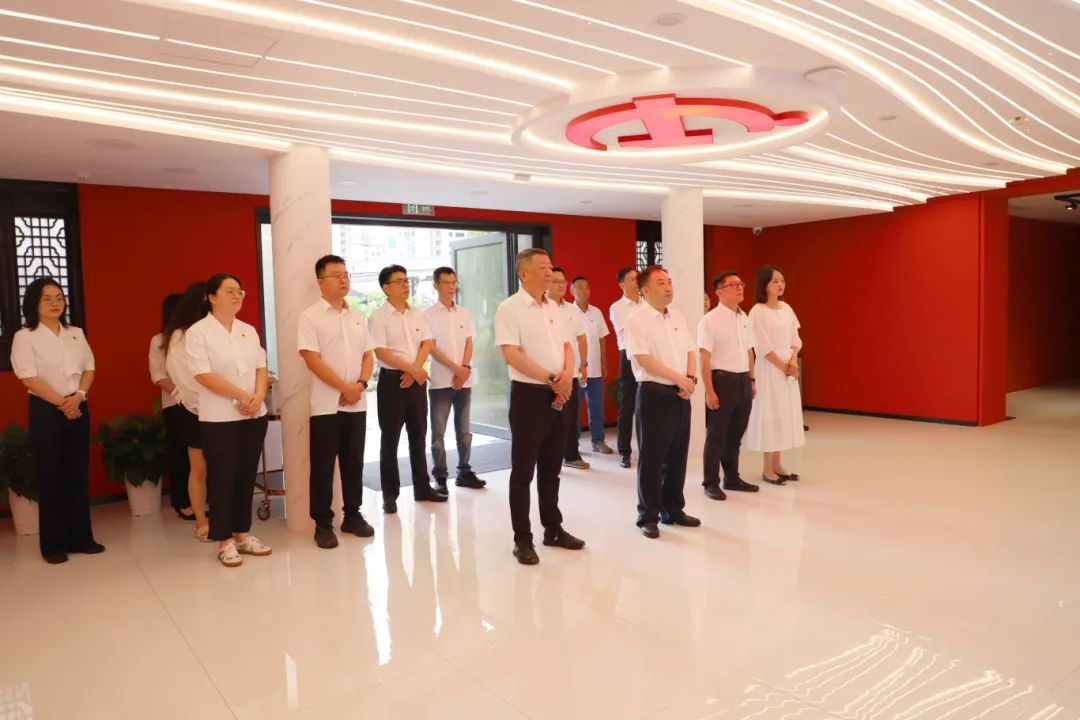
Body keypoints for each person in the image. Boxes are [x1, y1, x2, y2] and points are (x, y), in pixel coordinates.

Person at [495, 248, 586, 565]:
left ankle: (553, 529)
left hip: (560, 393)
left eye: (550, 266)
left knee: (552, 469)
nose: (549, 272)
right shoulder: (510, 308)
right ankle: (523, 539)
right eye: (543, 267)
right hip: (529, 396)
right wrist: (551, 378)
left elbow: (568, 347)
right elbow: (511, 354)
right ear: (524, 273)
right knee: (523, 472)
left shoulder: (556, 309)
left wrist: (566, 379)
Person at [11, 277, 103, 564]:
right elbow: (29, 378)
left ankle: (82, 538)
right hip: (46, 409)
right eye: (47, 298)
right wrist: (63, 403)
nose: (55, 303)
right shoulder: (25, 336)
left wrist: (79, 396)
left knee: (77, 472)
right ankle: (53, 545)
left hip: (78, 404)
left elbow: (89, 368)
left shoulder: (75, 333)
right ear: (34, 303)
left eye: (59, 297)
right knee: (50, 474)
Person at [186, 273, 272, 567]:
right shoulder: (198, 332)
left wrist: (257, 397)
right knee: (222, 478)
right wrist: (243, 396)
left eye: (240, 291)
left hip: (253, 414)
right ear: (212, 297)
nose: (237, 295)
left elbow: (261, 367)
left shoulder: (248, 330)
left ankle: (242, 534)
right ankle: (224, 540)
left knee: (246, 476)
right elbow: (203, 375)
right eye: (230, 291)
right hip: (219, 418)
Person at [297, 255, 376, 550]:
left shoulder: (356, 316)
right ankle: (322, 523)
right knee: (322, 467)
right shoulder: (310, 317)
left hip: (356, 403)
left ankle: (352, 515)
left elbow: (368, 355)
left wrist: (360, 385)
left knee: (354, 463)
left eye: (346, 274)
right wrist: (344, 387)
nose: (343, 280)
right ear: (320, 282)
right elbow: (311, 359)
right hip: (326, 406)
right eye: (336, 275)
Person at [625, 266, 701, 539]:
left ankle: (674, 509)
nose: (668, 287)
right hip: (654, 393)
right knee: (653, 457)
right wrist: (680, 379)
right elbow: (644, 359)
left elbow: (690, 350)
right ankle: (648, 515)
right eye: (661, 283)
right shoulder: (637, 318)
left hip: (680, 393)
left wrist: (689, 378)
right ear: (645, 290)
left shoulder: (677, 316)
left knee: (678, 454)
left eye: (669, 281)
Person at [369, 264, 446, 514]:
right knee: (390, 440)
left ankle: (422, 488)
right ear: (386, 288)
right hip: (391, 382)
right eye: (399, 281)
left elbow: (427, 342)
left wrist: (414, 371)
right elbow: (381, 351)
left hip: (415, 382)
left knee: (418, 435)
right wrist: (412, 370)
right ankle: (390, 495)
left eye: (406, 280)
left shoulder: (417, 314)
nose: (405, 285)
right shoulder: (378, 317)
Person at [698, 271, 760, 500]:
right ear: (720, 292)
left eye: (741, 283)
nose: (740, 287)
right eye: (733, 285)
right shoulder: (709, 320)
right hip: (722, 381)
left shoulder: (744, 317)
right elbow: (704, 357)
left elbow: (749, 351)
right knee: (716, 435)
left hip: (743, 381)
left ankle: (732, 478)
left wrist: (751, 380)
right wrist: (709, 391)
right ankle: (710, 482)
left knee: (735, 435)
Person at [423, 266, 485, 493]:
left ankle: (464, 471)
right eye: (446, 283)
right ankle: (440, 476)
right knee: (438, 434)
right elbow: (431, 347)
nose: (451, 287)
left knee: (464, 432)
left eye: (453, 282)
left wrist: (464, 369)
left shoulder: (464, 313)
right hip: (440, 382)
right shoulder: (427, 315)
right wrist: (456, 370)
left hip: (464, 382)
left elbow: (469, 342)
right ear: (435, 285)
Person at [745, 265, 805, 484]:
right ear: (764, 285)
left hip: (787, 367)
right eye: (775, 281)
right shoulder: (757, 311)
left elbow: (795, 339)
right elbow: (762, 347)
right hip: (770, 369)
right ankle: (767, 468)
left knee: (783, 415)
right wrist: (784, 366)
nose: (780, 285)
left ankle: (778, 464)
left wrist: (793, 360)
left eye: (782, 280)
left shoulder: (787, 308)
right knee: (770, 414)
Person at [163, 282, 212, 542]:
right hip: (196, 411)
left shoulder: (223, 330)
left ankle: (225, 519)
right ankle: (201, 522)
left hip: (225, 410)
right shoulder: (180, 336)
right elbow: (185, 378)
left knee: (222, 468)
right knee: (198, 468)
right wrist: (202, 404)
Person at [150, 293, 194, 520]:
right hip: (175, 405)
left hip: (199, 405)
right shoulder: (159, 340)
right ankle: (182, 502)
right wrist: (181, 394)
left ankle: (200, 498)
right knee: (180, 454)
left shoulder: (195, 337)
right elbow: (158, 375)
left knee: (199, 456)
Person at [548, 266, 589, 470]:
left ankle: (571, 455)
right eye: (556, 281)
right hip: (549, 374)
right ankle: (548, 459)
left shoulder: (573, 310)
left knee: (570, 417)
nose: (561, 285)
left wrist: (583, 365)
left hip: (571, 373)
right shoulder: (542, 309)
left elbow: (581, 339)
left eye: (563, 281)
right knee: (549, 419)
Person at [570, 275, 613, 455]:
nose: (584, 290)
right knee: (573, 409)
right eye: (580, 287)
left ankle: (598, 441)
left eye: (587, 287)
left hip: (595, 369)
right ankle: (572, 444)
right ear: (572, 290)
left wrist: (604, 363)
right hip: (575, 370)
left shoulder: (596, 312)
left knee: (596, 408)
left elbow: (602, 339)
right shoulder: (568, 312)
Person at [609, 267, 642, 468]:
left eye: (637, 278)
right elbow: (630, 331)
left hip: (648, 357)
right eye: (631, 279)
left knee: (646, 405)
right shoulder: (617, 307)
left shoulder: (647, 304)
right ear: (622, 284)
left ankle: (645, 449)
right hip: (629, 357)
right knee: (627, 404)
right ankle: (624, 451)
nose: (636, 281)